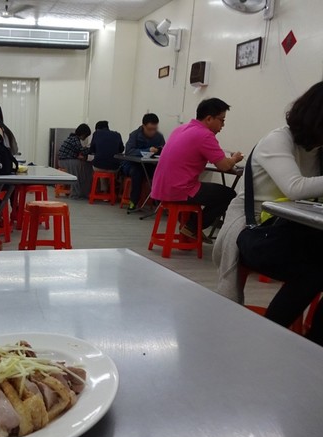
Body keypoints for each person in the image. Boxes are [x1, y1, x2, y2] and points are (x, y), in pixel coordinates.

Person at [214, 82, 323, 346]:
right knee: (315, 270)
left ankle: (312, 343)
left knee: (317, 265)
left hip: (293, 231)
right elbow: (295, 187)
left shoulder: (318, 150)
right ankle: (272, 336)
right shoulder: (278, 140)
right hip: (254, 230)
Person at [151, 98, 243, 240]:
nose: (223, 125)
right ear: (209, 119)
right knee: (228, 194)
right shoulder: (205, 135)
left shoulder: (180, 129)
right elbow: (224, 166)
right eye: (222, 120)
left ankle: (189, 228)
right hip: (179, 190)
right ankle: (192, 228)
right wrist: (235, 158)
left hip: (160, 187)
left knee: (206, 192)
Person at [122, 113, 166, 211]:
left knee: (160, 173)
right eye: (150, 129)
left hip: (150, 165)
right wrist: (147, 150)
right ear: (143, 126)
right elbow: (129, 151)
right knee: (137, 173)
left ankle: (160, 202)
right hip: (133, 165)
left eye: (155, 129)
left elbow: (165, 150)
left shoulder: (159, 137)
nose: (152, 132)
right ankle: (133, 202)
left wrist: (159, 150)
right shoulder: (134, 135)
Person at [89, 120, 124, 193]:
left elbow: (92, 149)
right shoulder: (117, 135)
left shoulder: (96, 134)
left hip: (98, 167)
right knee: (108, 167)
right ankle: (108, 191)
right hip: (114, 168)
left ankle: (99, 191)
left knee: (98, 166)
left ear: (97, 129)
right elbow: (121, 149)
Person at [58, 124, 92, 199]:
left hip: (63, 160)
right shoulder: (75, 139)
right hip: (66, 160)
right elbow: (81, 150)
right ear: (83, 134)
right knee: (87, 167)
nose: (86, 137)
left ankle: (82, 191)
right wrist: (91, 148)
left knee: (86, 165)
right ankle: (78, 193)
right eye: (86, 135)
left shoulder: (72, 138)